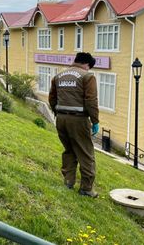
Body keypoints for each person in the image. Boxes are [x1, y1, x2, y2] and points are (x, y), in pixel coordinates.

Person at [49, 52, 100, 198]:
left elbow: (52, 98)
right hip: (79, 120)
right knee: (86, 153)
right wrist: (95, 120)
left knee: (69, 150)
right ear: (87, 64)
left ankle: (68, 181)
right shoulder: (87, 76)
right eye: (89, 67)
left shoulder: (58, 76)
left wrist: (58, 113)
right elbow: (91, 101)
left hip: (61, 119)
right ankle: (86, 189)